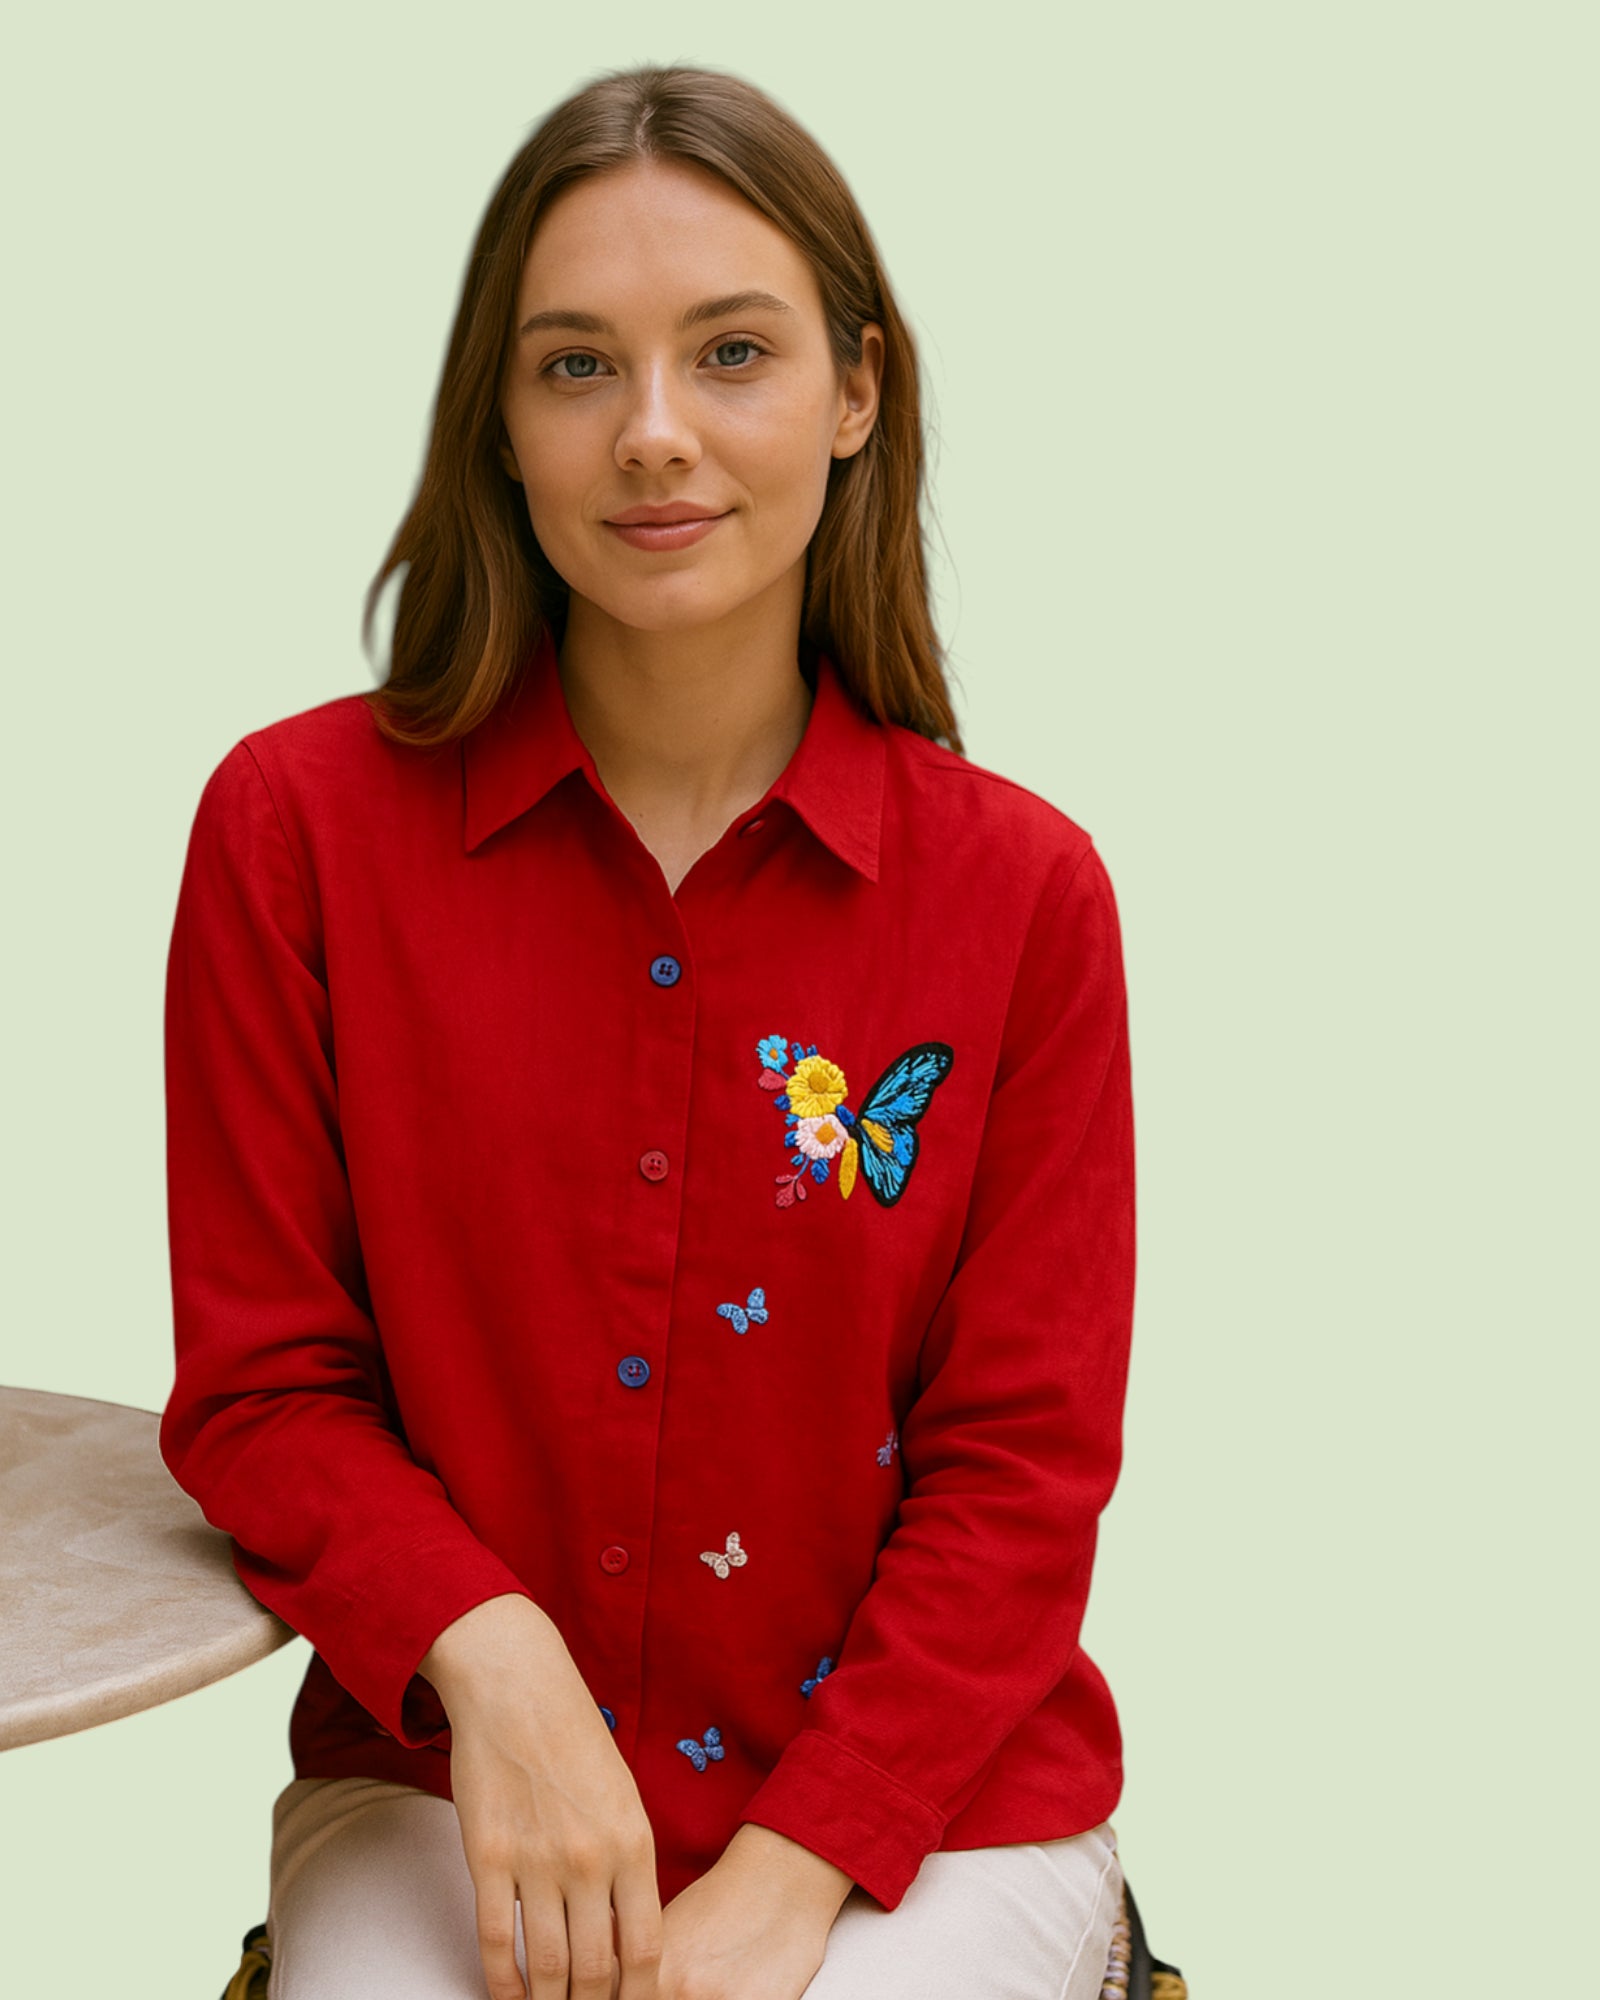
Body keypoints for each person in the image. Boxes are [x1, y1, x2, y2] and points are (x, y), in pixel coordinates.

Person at [161, 60, 1138, 2000]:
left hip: (925, 1811)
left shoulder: (1022, 896)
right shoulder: (292, 834)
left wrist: (794, 1872)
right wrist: (495, 1660)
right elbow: (262, 1388)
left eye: (732, 352)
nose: (656, 435)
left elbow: (1016, 1469)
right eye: (578, 366)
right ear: (499, 426)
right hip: (447, 1780)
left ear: (858, 391)